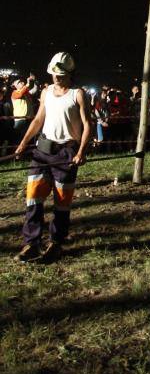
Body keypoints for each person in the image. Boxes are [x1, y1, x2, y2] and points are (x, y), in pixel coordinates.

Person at [13, 52, 93, 263]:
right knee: (33, 197)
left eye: (60, 74)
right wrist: (23, 144)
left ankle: (56, 243)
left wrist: (81, 152)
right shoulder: (46, 92)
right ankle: (31, 243)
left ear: (70, 73)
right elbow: (39, 119)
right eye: (53, 74)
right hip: (42, 150)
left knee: (62, 202)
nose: (56, 78)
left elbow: (87, 125)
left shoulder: (78, 94)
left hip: (66, 153)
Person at [11, 74, 38, 140]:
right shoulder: (14, 93)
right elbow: (20, 94)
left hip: (28, 118)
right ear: (15, 85)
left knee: (27, 138)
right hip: (20, 119)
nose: (22, 82)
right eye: (19, 82)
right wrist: (27, 84)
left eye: (21, 81)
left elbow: (34, 90)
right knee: (17, 139)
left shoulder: (26, 92)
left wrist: (35, 82)